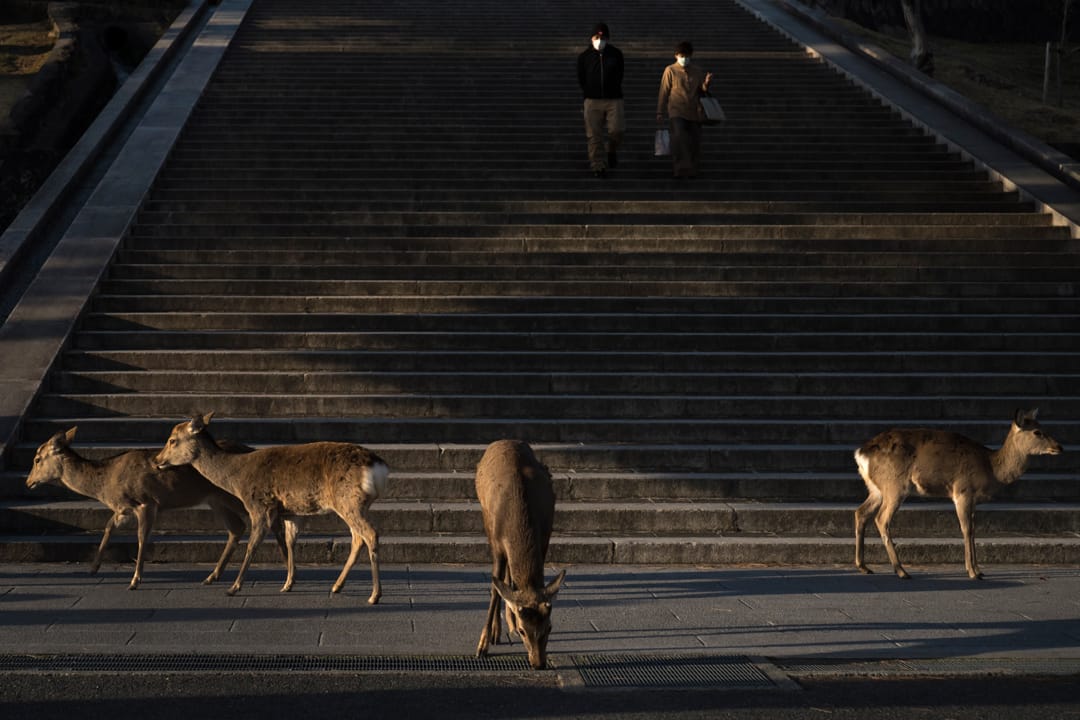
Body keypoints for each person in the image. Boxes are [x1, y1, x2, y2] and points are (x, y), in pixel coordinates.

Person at [656, 41, 713, 178]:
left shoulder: (697, 71)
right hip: (677, 111)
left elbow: (701, 90)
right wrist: (660, 111)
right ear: (676, 56)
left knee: (695, 140)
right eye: (682, 56)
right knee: (679, 138)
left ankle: (692, 168)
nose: (684, 59)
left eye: (687, 56)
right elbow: (664, 91)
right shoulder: (670, 70)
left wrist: (706, 84)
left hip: (694, 111)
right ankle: (680, 168)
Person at [576, 22, 625, 177]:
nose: (599, 40)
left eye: (602, 37)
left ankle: (611, 149)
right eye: (596, 37)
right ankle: (598, 165)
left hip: (614, 99)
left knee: (617, 130)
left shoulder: (616, 54)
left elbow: (620, 74)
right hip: (592, 100)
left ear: (607, 38)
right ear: (591, 38)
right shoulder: (584, 57)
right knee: (594, 135)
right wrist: (589, 91)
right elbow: (581, 78)